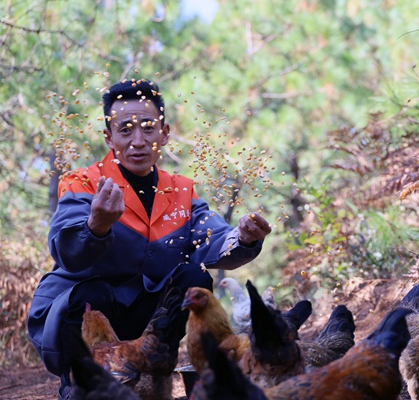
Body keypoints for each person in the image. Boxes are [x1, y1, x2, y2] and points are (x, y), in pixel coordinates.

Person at [27, 78, 272, 399]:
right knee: (93, 293)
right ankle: (81, 383)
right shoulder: (83, 183)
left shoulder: (180, 190)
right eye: (125, 129)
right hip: (73, 314)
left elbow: (214, 239)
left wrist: (242, 238)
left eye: (148, 128)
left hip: (141, 319)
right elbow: (66, 252)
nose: (138, 140)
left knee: (193, 277)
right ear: (109, 137)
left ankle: (153, 372)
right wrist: (96, 225)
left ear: (165, 133)